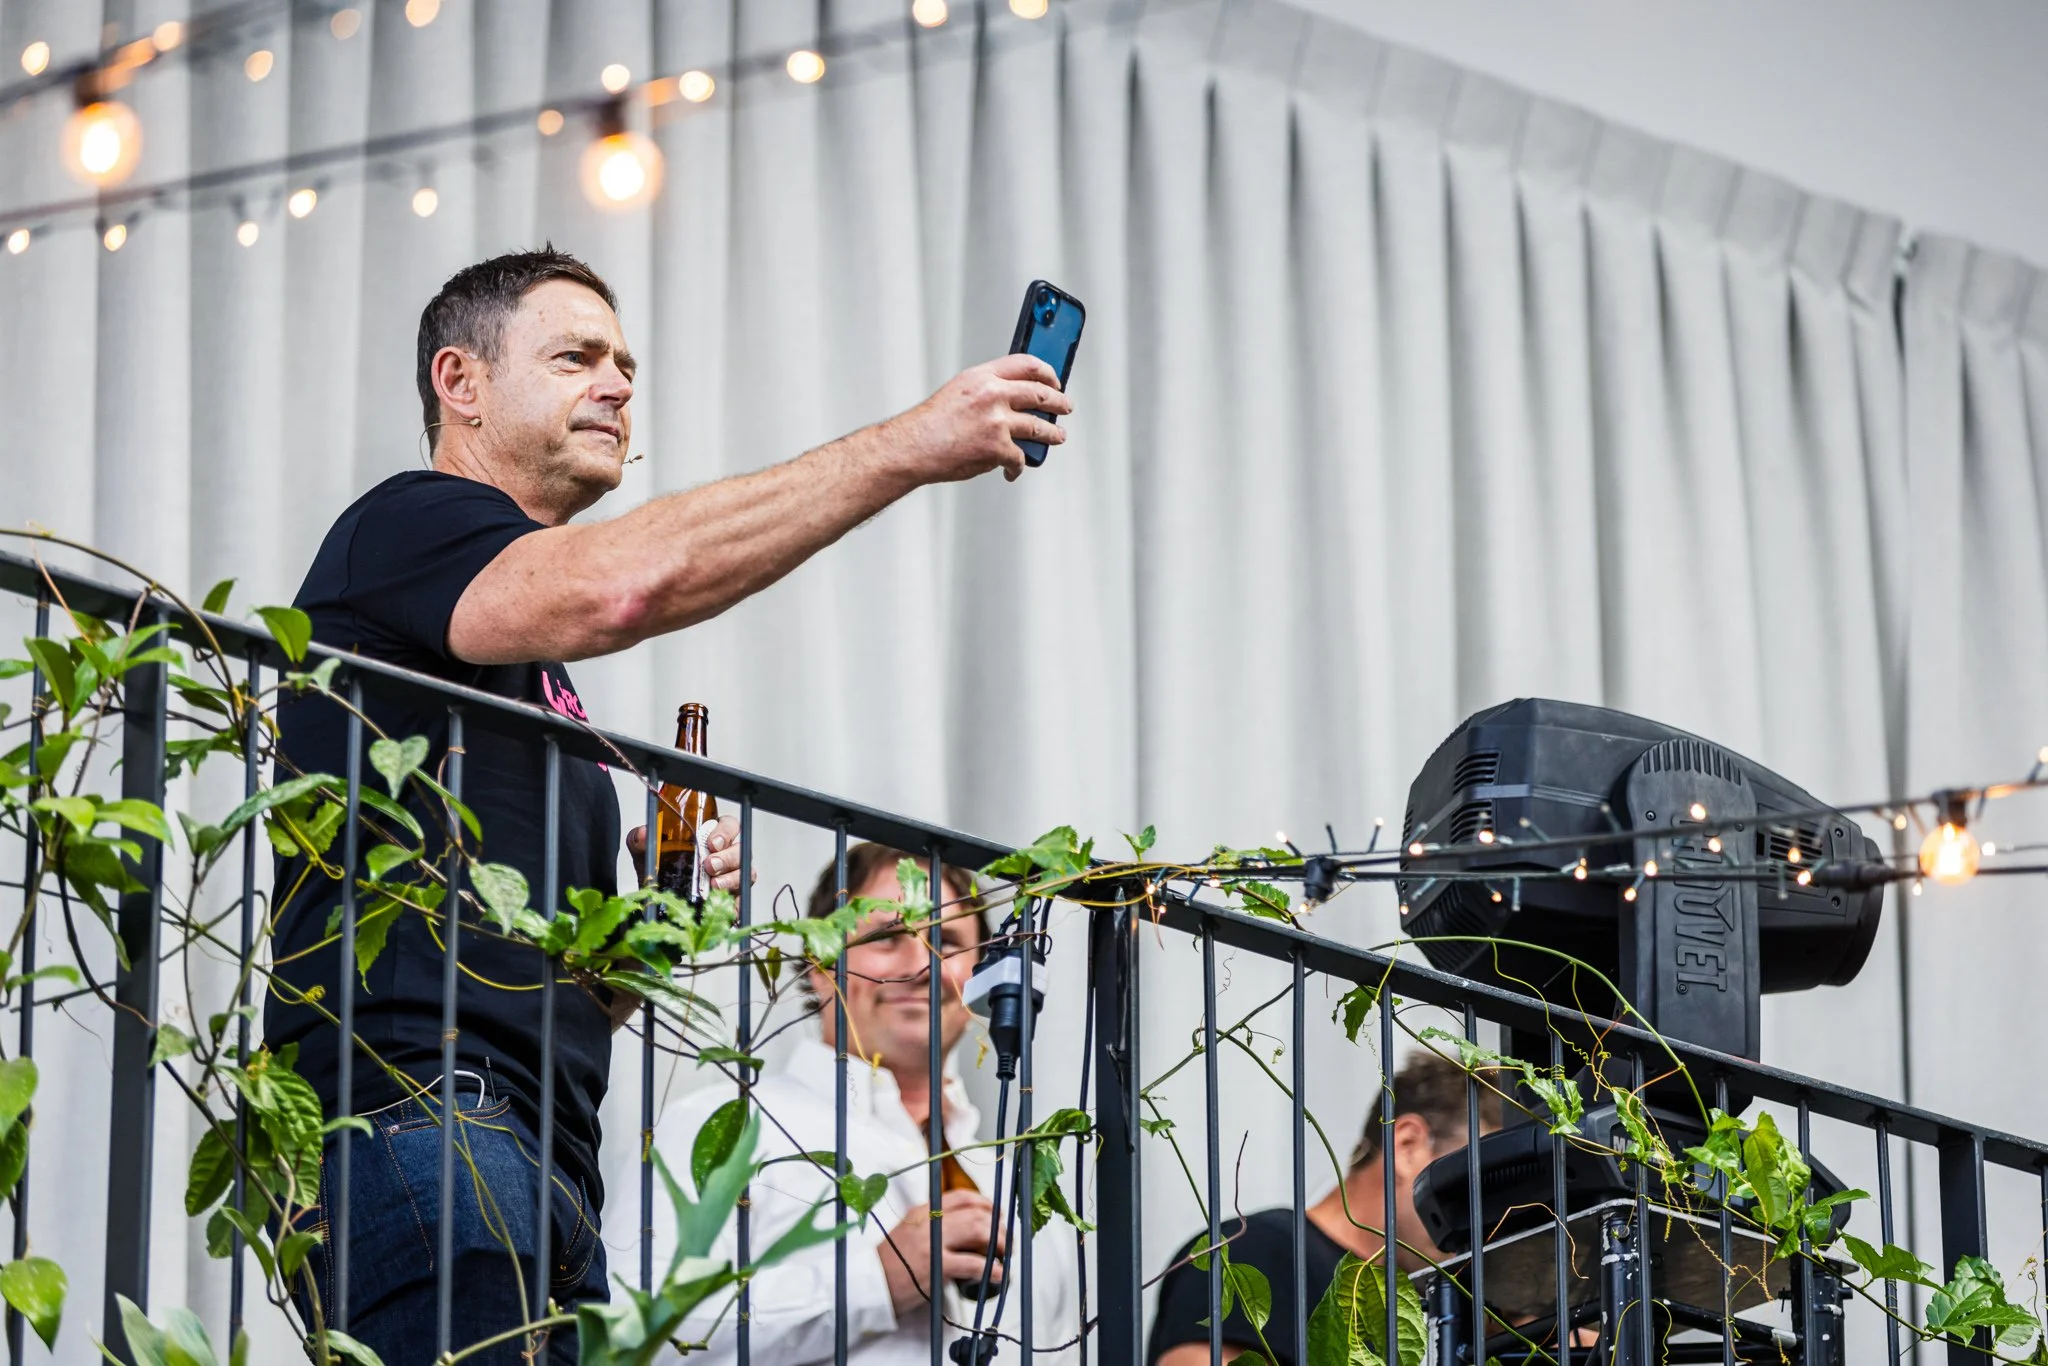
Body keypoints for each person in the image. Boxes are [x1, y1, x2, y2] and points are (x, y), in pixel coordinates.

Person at [266, 247, 1074, 1363]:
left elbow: (568, 999)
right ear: (460, 382)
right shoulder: (404, 524)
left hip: (538, 1153)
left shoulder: (530, 683)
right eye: (575, 356)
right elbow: (621, 584)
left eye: (625, 364)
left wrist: (653, 918)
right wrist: (909, 445)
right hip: (426, 1124)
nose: (615, 384)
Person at [626, 843, 1079, 1365]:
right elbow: (634, 1336)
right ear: (818, 965)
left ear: (980, 975)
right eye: (888, 936)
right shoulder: (726, 1126)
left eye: (948, 941)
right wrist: (874, 1283)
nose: (921, 965)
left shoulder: (1020, 1182)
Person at [1147, 1052, 1503, 1366]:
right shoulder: (1260, 1252)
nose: (1497, 1215)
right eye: (1487, 1180)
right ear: (1407, 1145)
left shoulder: (1405, 1301)